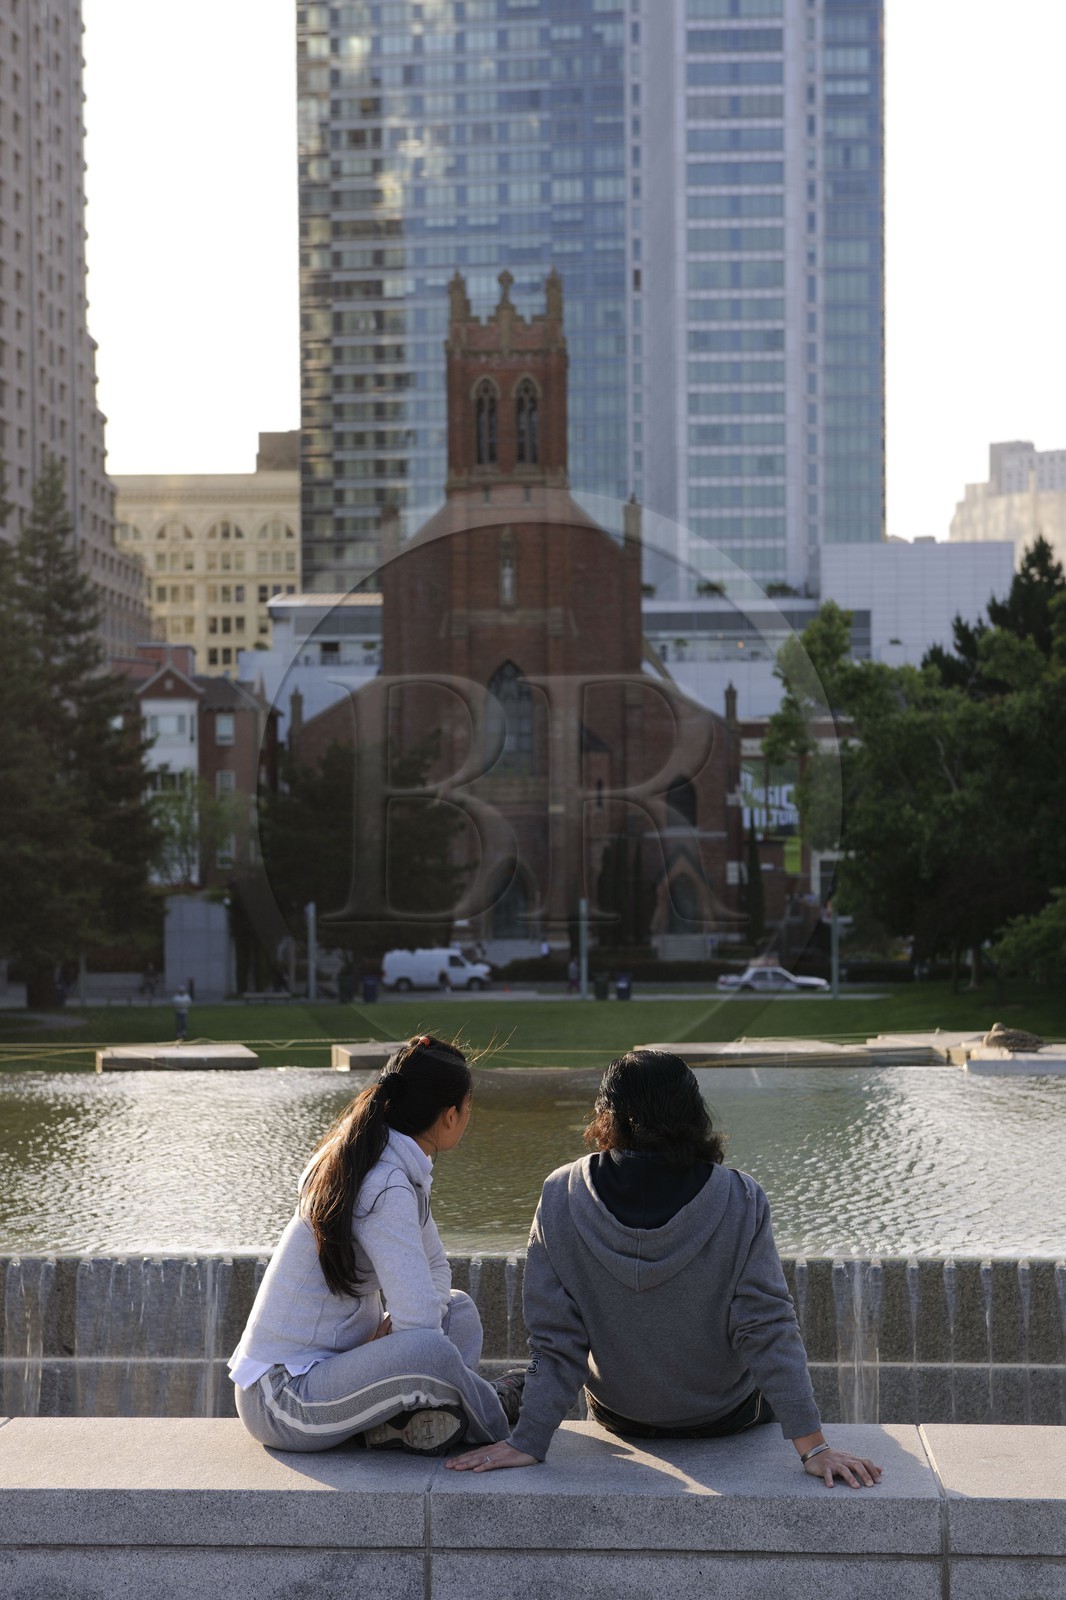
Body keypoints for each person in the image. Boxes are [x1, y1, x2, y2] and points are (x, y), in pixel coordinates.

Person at [448, 1048, 882, 1489]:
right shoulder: (740, 1198)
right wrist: (815, 1448)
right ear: (694, 1113)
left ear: (606, 1115)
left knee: (522, 1380)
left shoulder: (561, 1193)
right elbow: (766, 1328)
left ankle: (492, 1400)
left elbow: (556, 1339)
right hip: (724, 1418)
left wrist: (529, 1442)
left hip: (622, 1417)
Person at [229, 1035, 521, 1456]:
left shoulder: (387, 1162)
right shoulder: (381, 1182)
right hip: (283, 1399)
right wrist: (397, 1343)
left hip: (332, 1370)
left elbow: (436, 1270)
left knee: (459, 1311)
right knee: (428, 1345)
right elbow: (419, 1326)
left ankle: (397, 1427)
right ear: (450, 1116)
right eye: (469, 1106)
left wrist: (389, 1343)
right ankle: (497, 1415)